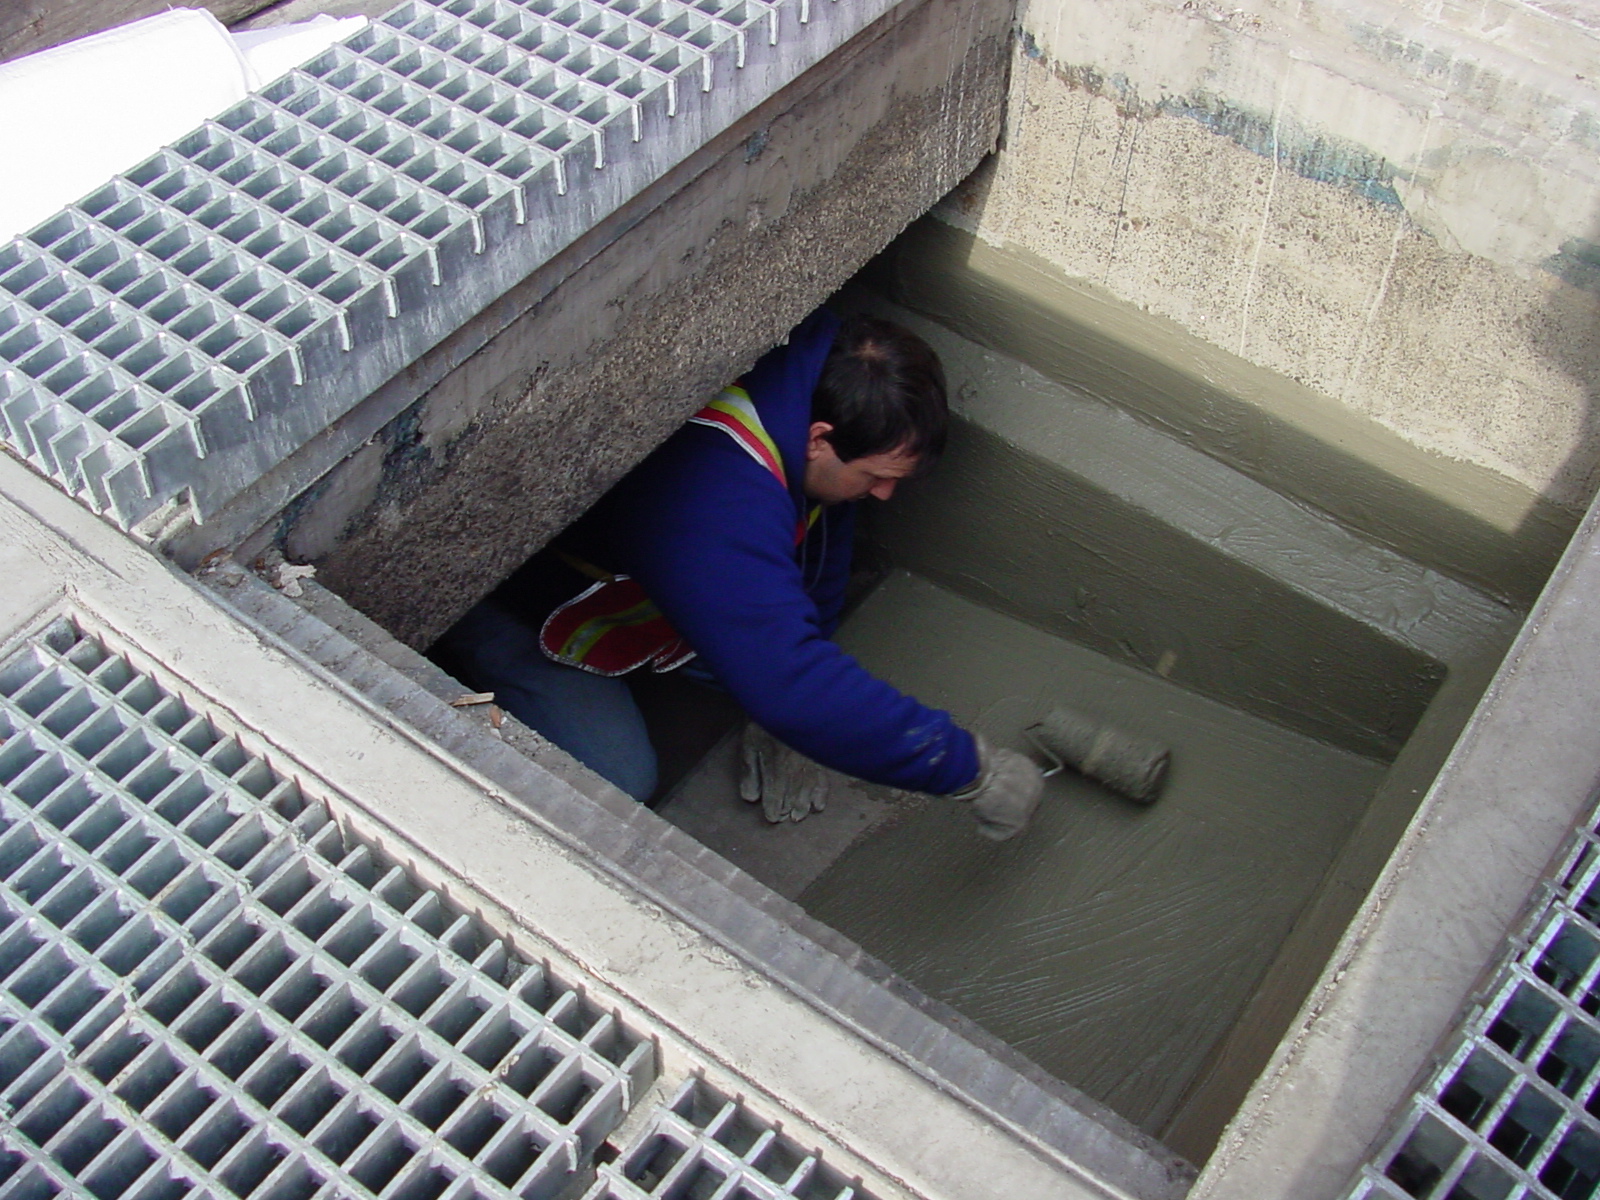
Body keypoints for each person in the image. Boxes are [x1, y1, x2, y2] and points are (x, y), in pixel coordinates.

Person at [433, 309, 1045, 840]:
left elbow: (824, 533)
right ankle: (442, 696)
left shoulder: (813, 373)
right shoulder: (714, 503)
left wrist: (808, 655)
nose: (885, 494)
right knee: (623, 773)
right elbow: (792, 686)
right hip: (515, 591)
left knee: (779, 676)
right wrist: (968, 770)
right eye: (876, 476)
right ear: (820, 439)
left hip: (648, 566)